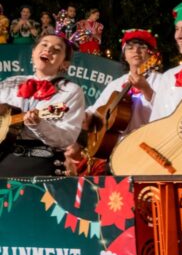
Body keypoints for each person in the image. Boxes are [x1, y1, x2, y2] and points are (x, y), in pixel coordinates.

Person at [63, 28, 162, 173]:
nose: (136, 51)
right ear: (125, 55)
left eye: (142, 47)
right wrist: (86, 117)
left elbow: (167, 111)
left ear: (151, 54)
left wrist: (146, 90)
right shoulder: (115, 84)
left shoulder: (162, 81)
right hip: (115, 151)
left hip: (149, 150)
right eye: (130, 47)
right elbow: (96, 111)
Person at [0, 34, 85, 175]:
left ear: (65, 63)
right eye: (44, 45)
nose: (49, 49)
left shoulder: (71, 90)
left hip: (41, 162)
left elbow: (66, 138)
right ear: (33, 52)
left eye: (56, 50)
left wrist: (39, 125)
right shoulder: (10, 83)